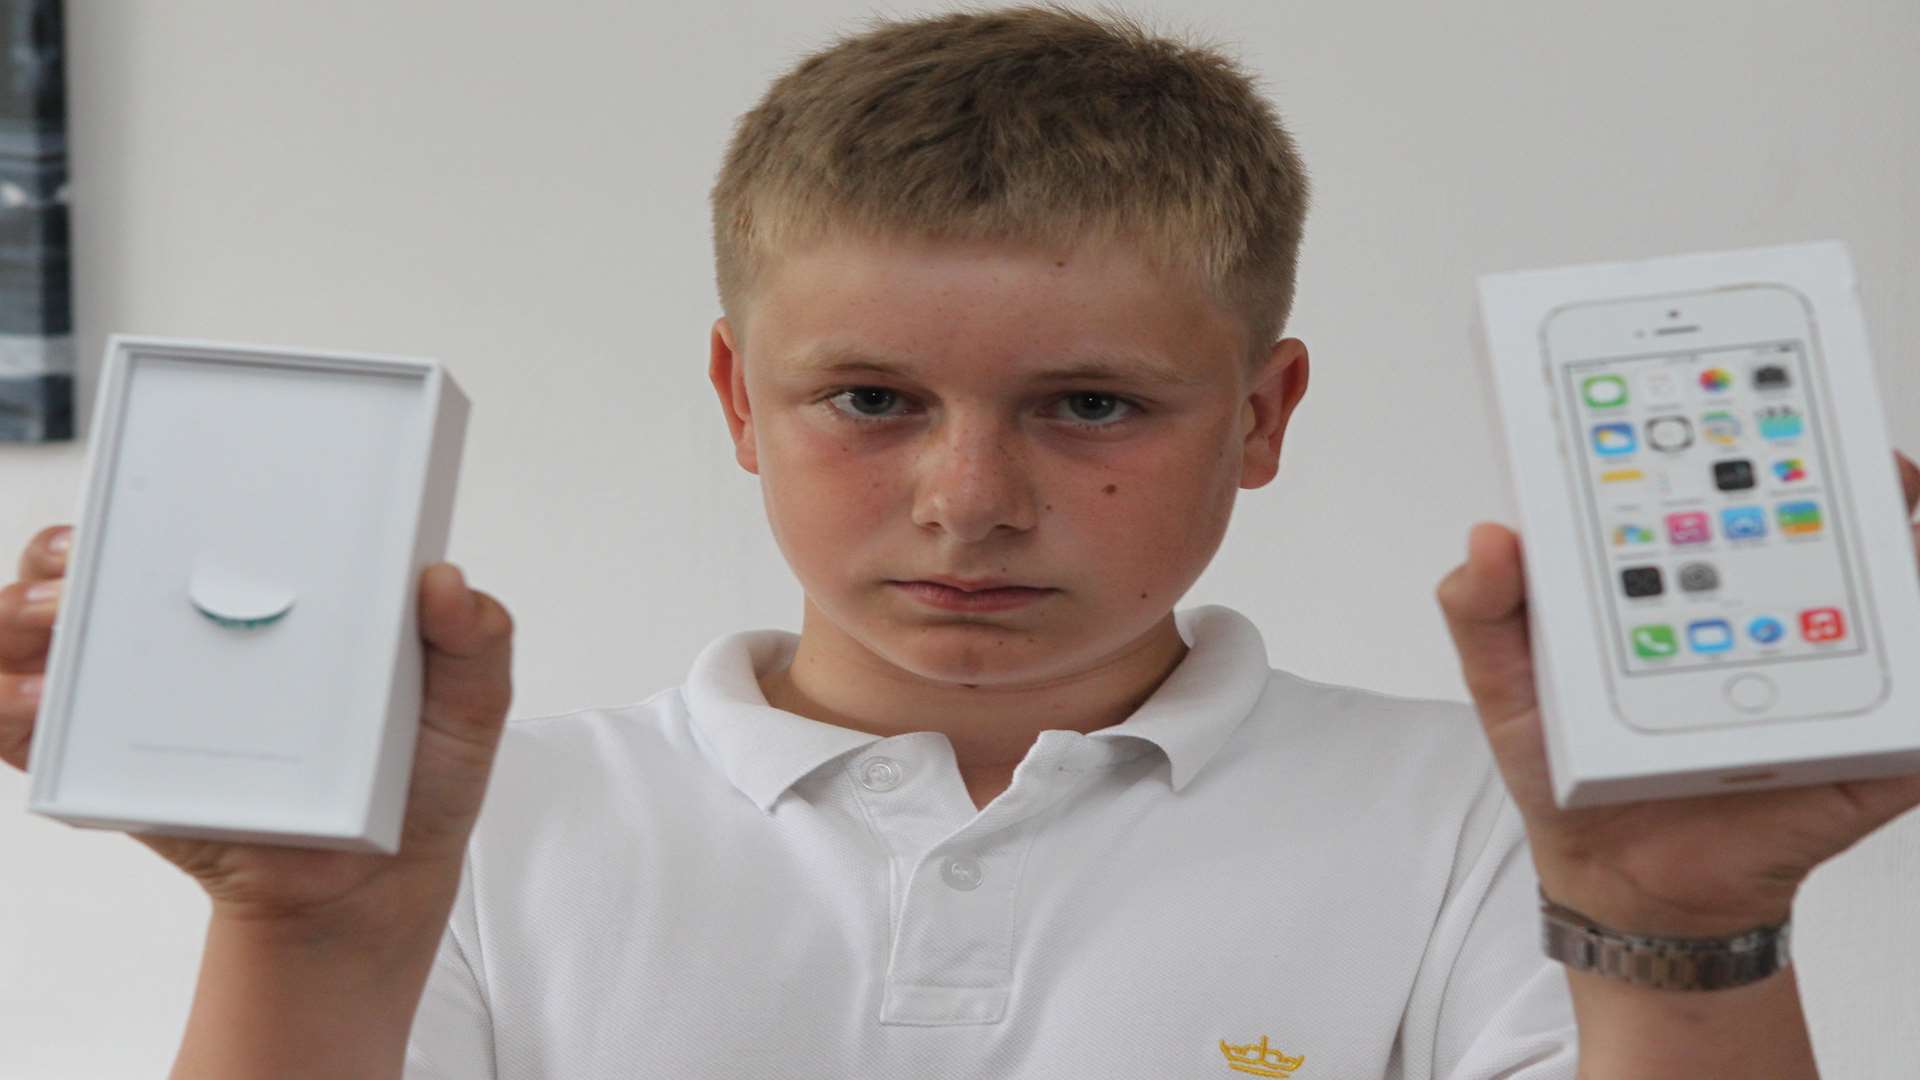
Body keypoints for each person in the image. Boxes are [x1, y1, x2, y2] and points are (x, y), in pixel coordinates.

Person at [4, 5, 1919, 1077]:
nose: (970, 501)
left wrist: (1681, 938)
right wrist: (303, 937)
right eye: (871, 400)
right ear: (742, 399)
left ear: (1261, 416)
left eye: (1092, 405)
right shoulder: (487, 820)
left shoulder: (1496, 824)